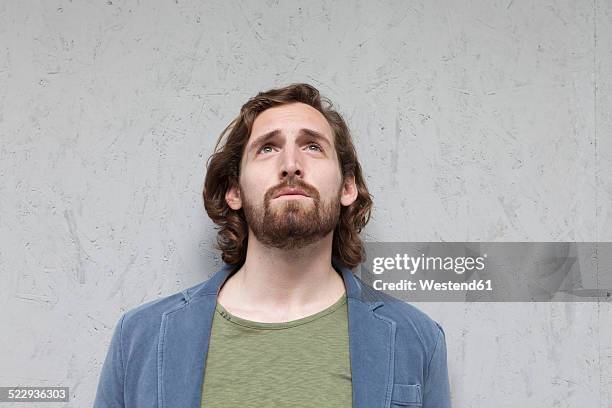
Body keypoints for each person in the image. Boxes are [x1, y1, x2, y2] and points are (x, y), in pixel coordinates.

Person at [93, 83, 451, 408]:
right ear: (234, 190)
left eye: (313, 146)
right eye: (267, 148)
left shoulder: (416, 339)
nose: (291, 165)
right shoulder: (140, 337)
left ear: (347, 187)